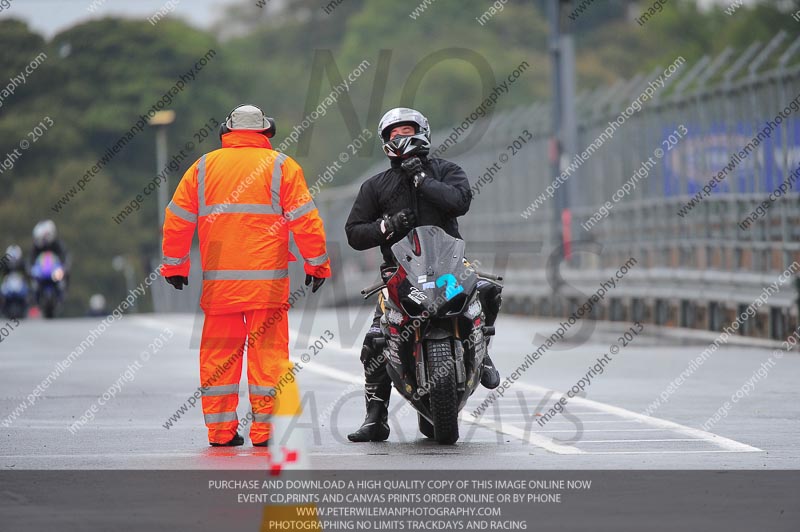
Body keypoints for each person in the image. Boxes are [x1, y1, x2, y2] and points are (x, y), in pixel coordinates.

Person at [161, 104, 331, 447]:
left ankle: (221, 433)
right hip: (266, 288)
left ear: (227, 131)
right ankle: (265, 431)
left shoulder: (203, 167)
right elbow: (306, 220)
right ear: (266, 132)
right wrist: (317, 265)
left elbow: (177, 218)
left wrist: (175, 266)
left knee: (219, 358)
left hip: (220, 287)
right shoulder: (283, 167)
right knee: (268, 357)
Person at [344, 107, 502, 443]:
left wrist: (422, 180)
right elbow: (354, 232)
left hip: (449, 269)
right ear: (386, 141)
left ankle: (483, 351)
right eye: (394, 134)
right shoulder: (375, 186)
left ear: (423, 132)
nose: (401, 138)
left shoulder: (447, 171)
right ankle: (375, 417)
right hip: (399, 275)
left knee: (488, 290)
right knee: (375, 339)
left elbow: (459, 202)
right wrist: (385, 227)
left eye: (407, 131)